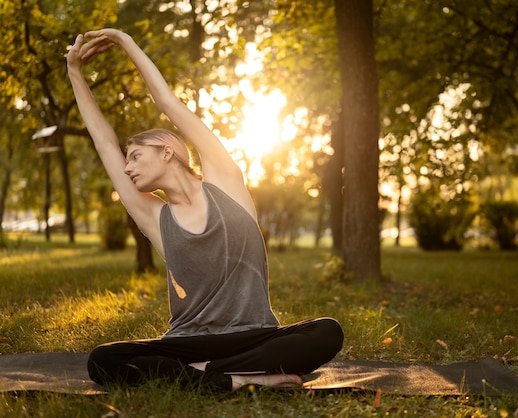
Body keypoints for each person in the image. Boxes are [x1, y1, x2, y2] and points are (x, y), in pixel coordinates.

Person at [66, 29, 343, 392]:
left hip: (254, 335)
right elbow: (103, 142)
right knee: (102, 360)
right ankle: (236, 379)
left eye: (135, 156)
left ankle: (204, 376)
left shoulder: (225, 181)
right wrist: (74, 71)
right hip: (188, 341)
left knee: (327, 332)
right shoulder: (155, 217)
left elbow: (167, 103)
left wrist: (124, 41)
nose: (127, 167)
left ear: (167, 150)